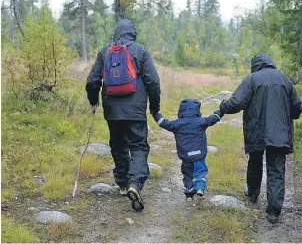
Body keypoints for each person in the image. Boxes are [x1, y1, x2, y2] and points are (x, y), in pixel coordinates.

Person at [85, 19, 160, 211]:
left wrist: (94, 101)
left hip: (112, 110)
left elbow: (93, 80)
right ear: (133, 33)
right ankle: (135, 184)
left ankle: (123, 183)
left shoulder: (104, 51)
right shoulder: (140, 50)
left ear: (116, 33)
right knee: (138, 146)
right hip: (135, 110)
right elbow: (153, 81)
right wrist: (154, 107)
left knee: (118, 145)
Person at [219, 52, 302, 224]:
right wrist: (289, 114)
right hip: (279, 132)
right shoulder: (284, 79)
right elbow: (297, 107)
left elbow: (236, 102)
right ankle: (273, 212)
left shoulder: (252, 79)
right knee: (276, 169)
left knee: (255, 162)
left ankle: (253, 195)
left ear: (255, 65)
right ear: (270, 63)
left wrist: (222, 107)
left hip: (256, 130)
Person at [153, 99, 222, 201]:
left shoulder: (177, 124)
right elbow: (213, 119)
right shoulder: (201, 121)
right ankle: (200, 187)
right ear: (197, 110)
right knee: (200, 171)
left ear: (181, 111)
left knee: (187, 173)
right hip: (199, 154)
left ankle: (189, 193)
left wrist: (155, 114)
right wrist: (219, 112)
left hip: (186, 156)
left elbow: (164, 123)